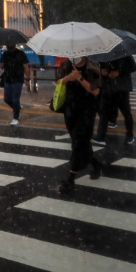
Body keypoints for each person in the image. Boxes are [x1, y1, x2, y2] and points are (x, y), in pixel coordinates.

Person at [56, 57, 103, 194]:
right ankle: (95, 163)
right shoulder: (65, 65)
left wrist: (80, 78)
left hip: (87, 110)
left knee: (78, 143)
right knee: (81, 142)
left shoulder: (93, 67)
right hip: (70, 109)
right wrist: (68, 78)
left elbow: (95, 91)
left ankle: (70, 179)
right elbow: (58, 83)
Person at [93, 55, 136, 146]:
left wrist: (119, 72)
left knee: (126, 113)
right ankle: (101, 137)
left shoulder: (124, 54)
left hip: (121, 88)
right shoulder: (105, 54)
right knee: (104, 113)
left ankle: (130, 135)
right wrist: (103, 71)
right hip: (107, 88)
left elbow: (133, 67)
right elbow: (101, 67)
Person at [0, 45, 30, 125]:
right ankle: (18, 108)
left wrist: (27, 79)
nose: (9, 46)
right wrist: (2, 63)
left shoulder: (21, 54)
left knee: (15, 99)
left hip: (18, 79)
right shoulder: (5, 54)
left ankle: (15, 118)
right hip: (7, 79)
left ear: (14, 45)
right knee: (6, 99)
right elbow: (1, 66)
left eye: (10, 44)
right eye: (8, 45)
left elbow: (26, 67)